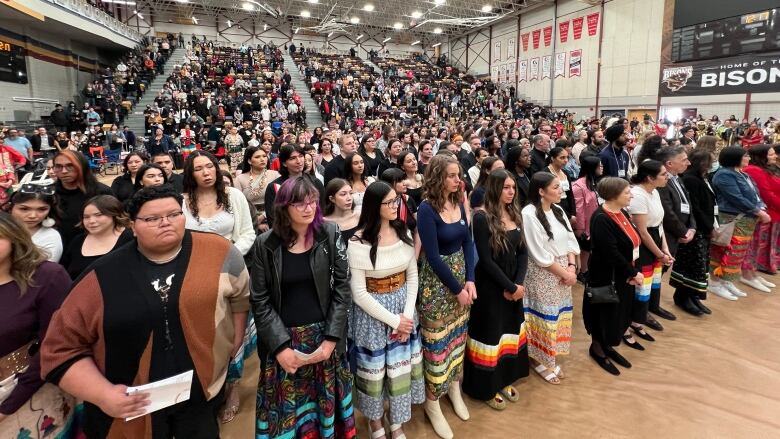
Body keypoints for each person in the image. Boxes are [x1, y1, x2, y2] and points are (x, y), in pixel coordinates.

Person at [41, 185, 250, 438]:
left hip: (201, 393)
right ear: (132, 225)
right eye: (152, 219)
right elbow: (60, 349)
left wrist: (234, 341)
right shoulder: (102, 277)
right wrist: (102, 394)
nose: (166, 223)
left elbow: (240, 297)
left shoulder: (219, 251)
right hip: (132, 405)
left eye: (174, 214)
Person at [250, 177, 357, 439]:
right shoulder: (266, 244)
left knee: (326, 412)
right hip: (285, 341)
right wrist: (281, 347)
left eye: (312, 202)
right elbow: (260, 301)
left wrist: (332, 338)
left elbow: (343, 287)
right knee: (289, 416)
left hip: (324, 337)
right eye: (299, 203)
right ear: (284, 207)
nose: (308, 208)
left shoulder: (328, 234)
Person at [348, 181, 423, 439]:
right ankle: (375, 421)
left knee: (400, 372)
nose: (395, 206)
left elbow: (412, 276)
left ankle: (397, 420)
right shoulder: (358, 241)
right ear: (374, 206)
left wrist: (406, 317)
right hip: (374, 315)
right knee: (374, 374)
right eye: (389, 202)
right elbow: (358, 292)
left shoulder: (402, 232)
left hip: (403, 309)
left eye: (397, 201)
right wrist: (394, 321)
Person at [0, 214, 77, 438]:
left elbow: (56, 345)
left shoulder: (47, 277)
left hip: (31, 391)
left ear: (14, 237)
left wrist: (7, 407)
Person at [416, 154, 475, 439]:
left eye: (458, 174)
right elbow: (434, 257)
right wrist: (458, 289)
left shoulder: (458, 201)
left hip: (461, 281)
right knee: (437, 347)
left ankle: (453, 387)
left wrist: (471, 281)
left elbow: (467, 240)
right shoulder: (426, 209)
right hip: (438, 286)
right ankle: (433, 402)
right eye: (452, 175)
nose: (457, 179)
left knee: (457, 339)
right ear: (439, 176)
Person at [463, 169, 529, 410]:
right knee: (490, 335)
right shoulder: (482, 218)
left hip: (513, 284)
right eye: (506, 187)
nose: (511, 192)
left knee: (508, 333)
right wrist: (509, 286)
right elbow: (487, 261)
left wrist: (518, 285)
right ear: (495, 189)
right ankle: (485, 387)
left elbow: (523, 252)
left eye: (513, 187)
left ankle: (503, 379)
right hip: (491, 286)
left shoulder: (515, 213)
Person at [521, 172, 580, 385]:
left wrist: (572, 267)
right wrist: (566, 274)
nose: (561, 191)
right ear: (541, 191)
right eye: (555, 187)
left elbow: (570, 240)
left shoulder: (558, 209)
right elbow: (539, 255)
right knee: (544, 318)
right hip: (544, 274)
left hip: (564, 270)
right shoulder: (529, 213)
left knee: (559, 316)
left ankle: (550, 356)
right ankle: (539, 360)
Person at [584, 177, 643, 375]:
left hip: (623, 274)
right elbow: (610, 252)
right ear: (613, 195)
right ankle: (598, 349)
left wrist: (632, 271)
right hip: (607, 276)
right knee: (604, 313)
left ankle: (608, 346)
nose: (631, 195)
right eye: (627, 192)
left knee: (619, 313)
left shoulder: (622, 212)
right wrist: (632, 272)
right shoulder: (601, 218)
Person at [709, 147, 771, 300]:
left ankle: (726, 280)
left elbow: (755, 195)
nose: (748, 158)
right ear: (734, 158)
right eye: (745, 156)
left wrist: (761, 207)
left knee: (737, 253)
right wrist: (758, 211)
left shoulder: (742, 173)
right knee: (724, 250)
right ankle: (714, 281)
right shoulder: (724, 175)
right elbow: (735, 197)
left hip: (746, 219)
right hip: (732, 217)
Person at [627, 160, 672, 339]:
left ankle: (642, 316)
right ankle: (634, 319)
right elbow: (643, 232)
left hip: (656, 239)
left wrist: (665, 249)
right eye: (663, 174)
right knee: (641, 284)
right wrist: (659, 253)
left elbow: (659, 224)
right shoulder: (638, 195)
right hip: (643, 245)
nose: (666, 177)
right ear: (649, 178)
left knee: (652, 282)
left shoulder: (654, 192)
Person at [670, 150, 718, 316]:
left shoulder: (702, 178)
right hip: (695, 229)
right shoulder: (690, 179)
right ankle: (683, 296)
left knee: (700, 266)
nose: (712, 165)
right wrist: (708, 226)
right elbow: (695, 208)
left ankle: (693, 295)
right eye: (710, 161)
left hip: (702, 228)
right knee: (691, 266)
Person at [182, 151, 256, 256]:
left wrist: (230, 256)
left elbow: (247, 233)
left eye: (209, 166)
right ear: (190, 174)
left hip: (231, 259)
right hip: (192, 260)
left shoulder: (234, 195)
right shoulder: (180, 202)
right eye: (198, 169)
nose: (206, 172)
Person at [60, 194, 134, 279]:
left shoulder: (131, 239)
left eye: (98, 215)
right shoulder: (77, 241)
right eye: (86, 217)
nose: (91, 221)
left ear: (114, 214)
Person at [52, 150, 112, 249]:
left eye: (70, 166)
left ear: (82, 167)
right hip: (58, 248)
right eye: (58, 166)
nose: (64, 171)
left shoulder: (101, 192)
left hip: (94, 247)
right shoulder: (49, 193)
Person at [741, 145, 780, 290]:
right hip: (762, 213)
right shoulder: (754, 170)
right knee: (753, 247)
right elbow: (766, 194)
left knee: (759, 247)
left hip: (771, 213)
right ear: (761, 156)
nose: (774, 156)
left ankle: (753, 273)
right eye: (771, 154)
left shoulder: (764, 169)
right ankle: (747, 274)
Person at [264, 144, 325, 225]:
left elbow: (322, 210)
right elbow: (273, 218)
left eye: (300, 156)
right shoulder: (274, 187)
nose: (298, 161)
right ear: (284, 163)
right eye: (292, 158)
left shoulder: (315, 182)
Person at [9, 184, 62, 262]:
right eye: (24, 209)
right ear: (10, 208)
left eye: (42, 209)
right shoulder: (3, 228)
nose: (33, 216)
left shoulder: (51, 237)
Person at [572, 155, 603, 282]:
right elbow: (579, 210)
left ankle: (585, 269)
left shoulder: (593, 182)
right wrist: (580, 229)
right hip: (584, 226)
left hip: (593, 222)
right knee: (583, 249)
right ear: (592, 168)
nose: (601, 167)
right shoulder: (578, 186)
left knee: (588, 250)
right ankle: (581, 271)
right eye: (599, 165)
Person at [235, 146, 280, 232]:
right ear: (249, 161)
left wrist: (264, 216)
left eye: (264, 156)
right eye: (257, 157)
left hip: (273, 217)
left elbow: (280, 200)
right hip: (249, 220)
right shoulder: (240, 179)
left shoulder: (275, 175)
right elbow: (238, 205)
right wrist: (255, 223)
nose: (262, 159)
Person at [380, 168, 418, 233]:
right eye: (399, 181)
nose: (405, 183)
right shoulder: (382, 204)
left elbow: (417, 227)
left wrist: (416, 243)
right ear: (389, 184)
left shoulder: (408, 199)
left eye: (404, 179)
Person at [322, 178, 360, 243]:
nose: (349, 198)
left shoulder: (360, 216)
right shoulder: (324, 223)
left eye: (351, 193)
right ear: (332, 198)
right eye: (343, 194)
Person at [545, 146, 576, 223]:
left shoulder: (565, 173)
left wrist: (573, 213)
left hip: (567, 206)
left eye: (567, 157)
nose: (565, 160)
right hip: (554, 208)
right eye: (562, 158)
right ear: (552, 158)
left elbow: (570, 194)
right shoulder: (545, 173)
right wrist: (568, 215)